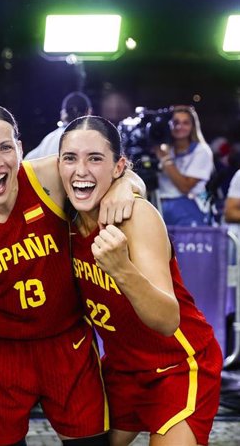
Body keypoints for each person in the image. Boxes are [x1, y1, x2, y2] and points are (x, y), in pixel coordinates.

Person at [0, 103, 145, 446]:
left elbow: (118, 173)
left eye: (5, 148)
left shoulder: (45, 177)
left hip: (66, 344)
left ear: (20, 148)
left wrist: (125, 186)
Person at [58, 115, 222, 446]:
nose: (81, 170)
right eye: (70, 158)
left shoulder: (135, 216)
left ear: (117, 166)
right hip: (121, 369)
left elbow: (166, 320)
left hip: (176, 365)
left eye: (95, 159)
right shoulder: (63, 217)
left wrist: (122, 269)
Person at [155, 105, 214, 226]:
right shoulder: (163, 149)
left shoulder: (201, 151)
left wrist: (166, 159)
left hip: (189, 208)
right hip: (160, 205)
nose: (179, 127)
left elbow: (185, 187)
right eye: (175, 122)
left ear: (192, 126)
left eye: (185, 123)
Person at [25, 91, 92, 160]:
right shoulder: (93, 138)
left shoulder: (50, 139)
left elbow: (27, 160)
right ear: (89, 112)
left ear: (63, 113)